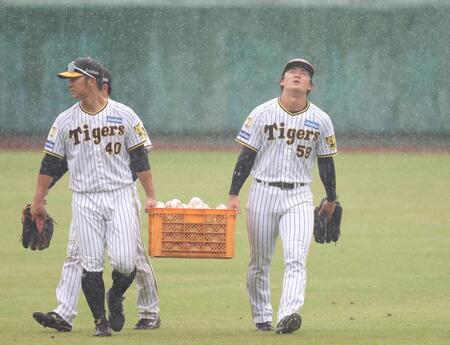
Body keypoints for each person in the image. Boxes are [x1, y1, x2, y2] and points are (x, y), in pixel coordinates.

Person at [30, 57, 157, 337]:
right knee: (90, 262)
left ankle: (116, 296)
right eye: (69, 79)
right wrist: (39, 199)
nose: (70, 84)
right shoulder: (64, 121)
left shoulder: (124, 114)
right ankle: (100, 321)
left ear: (92, 81)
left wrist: (150, 196)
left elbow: (139, 158)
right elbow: (51, 163)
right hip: (84, 198)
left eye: (74, 79)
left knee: (125, 261)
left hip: (120, 194)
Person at [227, 58, 338, 334]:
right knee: (259, 262)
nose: (298, 75)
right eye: (292, 72)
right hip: (262, 191)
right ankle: (262, 315)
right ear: (282, 81)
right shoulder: (262, 114)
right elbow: (247, 156)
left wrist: (332, 198)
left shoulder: (321, 120)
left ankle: (288, 313)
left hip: (299, 195)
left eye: (304, 74)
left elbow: (326, 162)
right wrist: (233, 193)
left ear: (310, 86)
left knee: (296, 257)